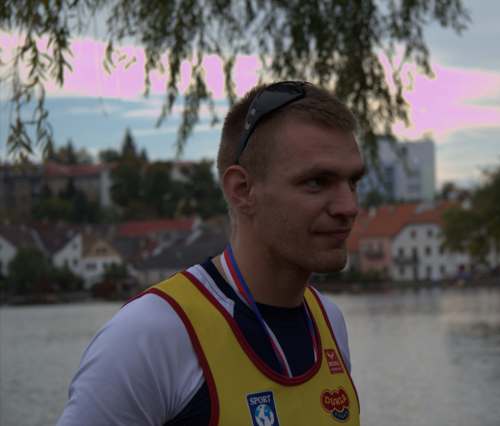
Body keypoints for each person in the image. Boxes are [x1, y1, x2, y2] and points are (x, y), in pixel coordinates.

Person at [58, 81, 365, 425]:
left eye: (353, 182)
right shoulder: (149, 336)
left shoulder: (328, 321)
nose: (349, 206)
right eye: (317, 182)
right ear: (242, 190)